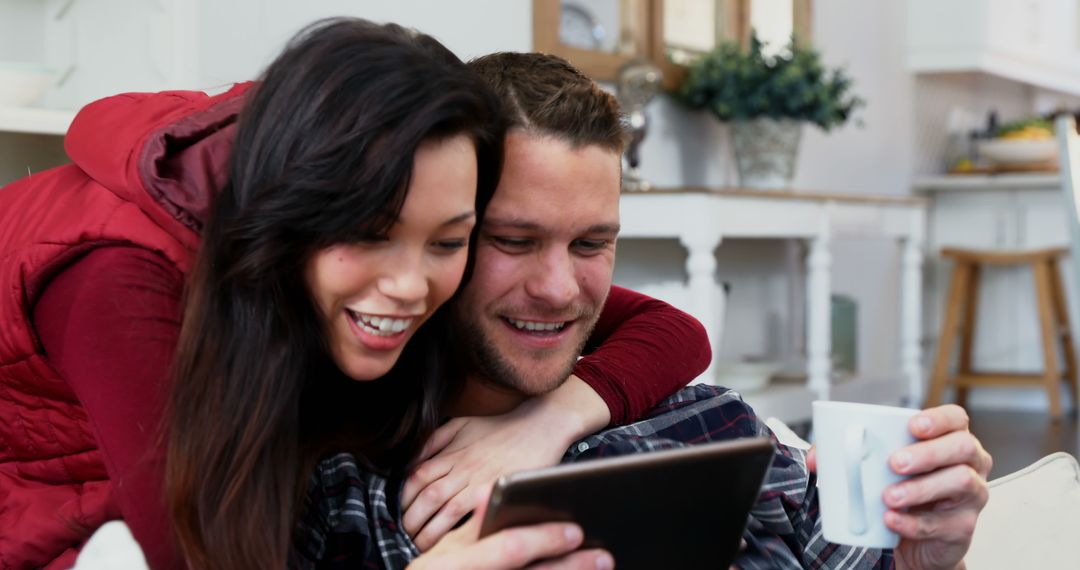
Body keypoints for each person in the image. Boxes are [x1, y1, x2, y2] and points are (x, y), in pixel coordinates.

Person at [0, 19, 707, 570]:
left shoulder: (391, 175)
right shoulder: (118, 280)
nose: (408, 285)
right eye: (370, 233)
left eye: (448, 240)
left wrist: (546, 422)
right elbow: (199, 552)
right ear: (297, 205)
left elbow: (674, 331)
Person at [298, 52, 993, 570]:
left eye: (593, 242)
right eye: (514, 241)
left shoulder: (713, 425)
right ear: (445, 233)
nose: (559, 288)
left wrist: (923, 558)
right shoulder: (354, 489)